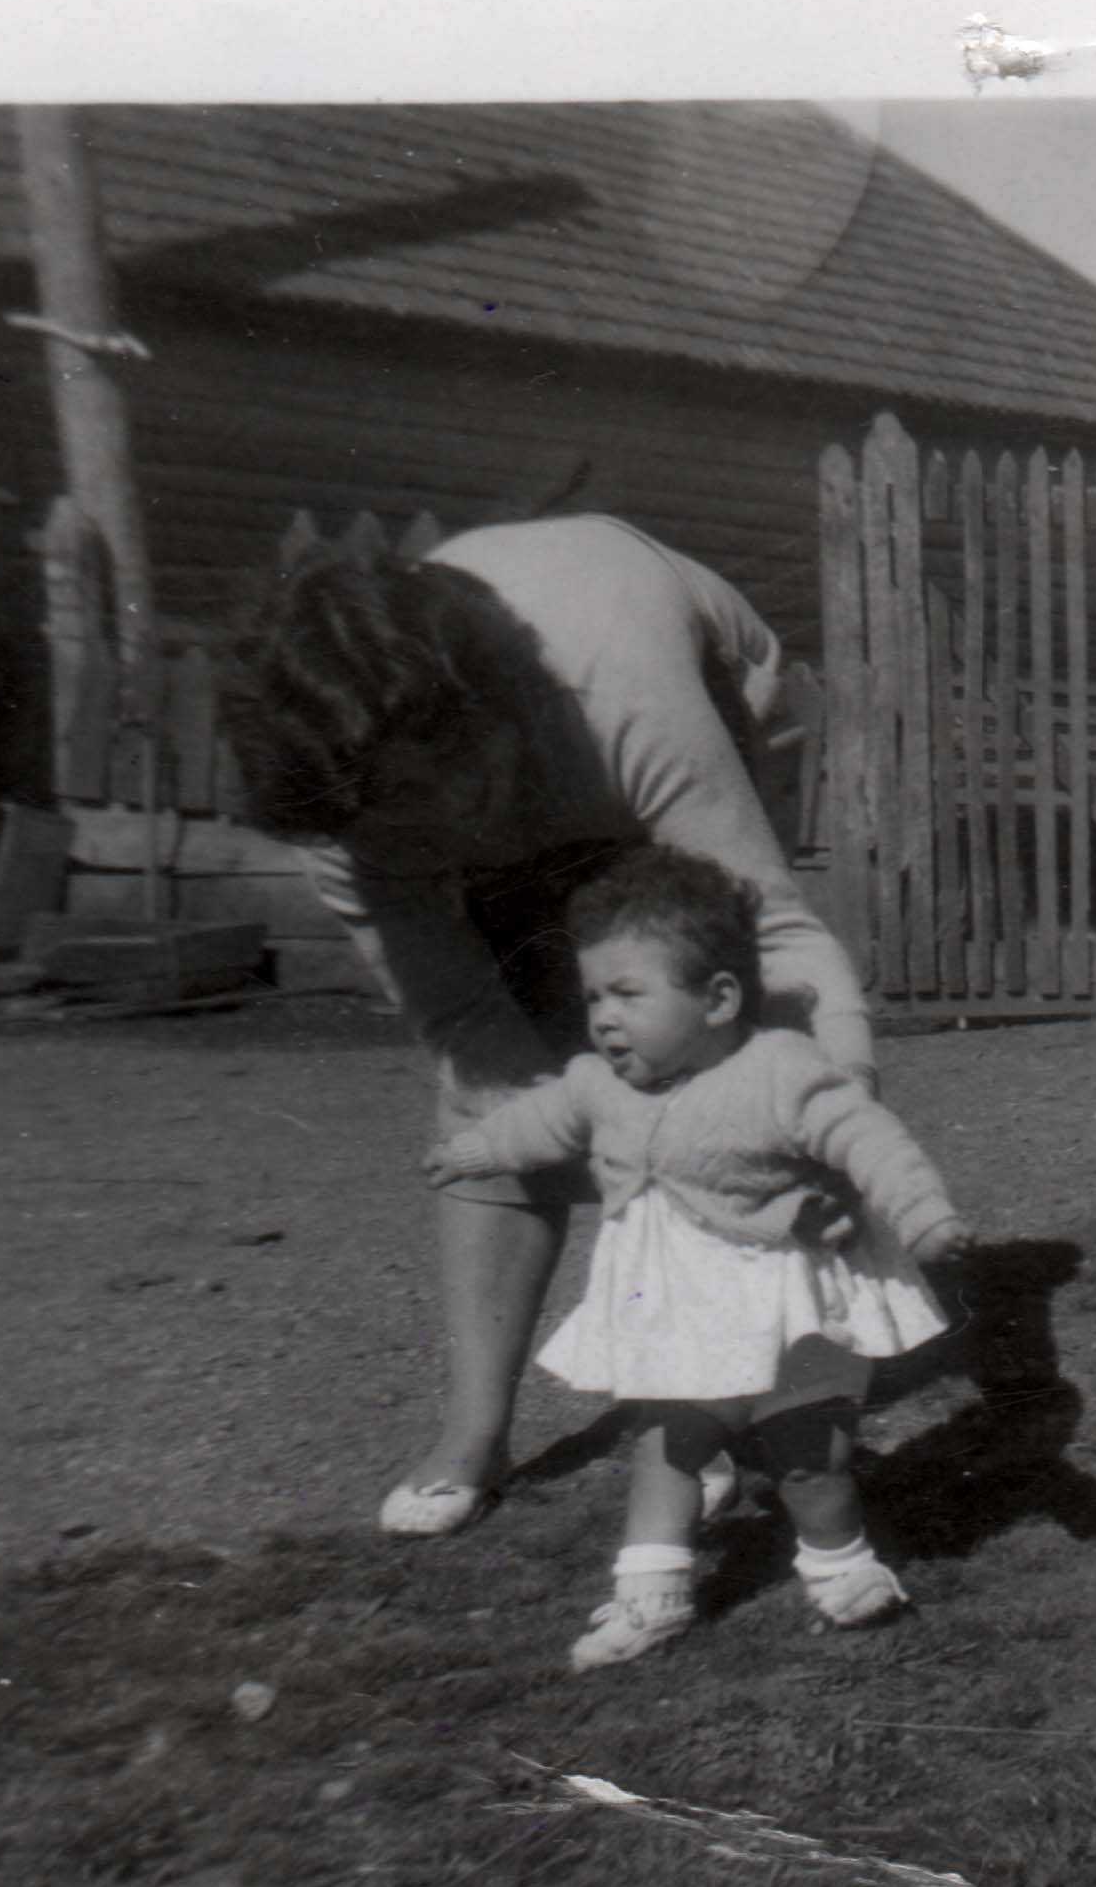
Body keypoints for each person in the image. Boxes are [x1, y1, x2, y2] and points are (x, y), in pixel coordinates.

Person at [220, 515, 874, 1539]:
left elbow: (772, 933)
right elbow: (470, 1030)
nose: (422, 844)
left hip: (709, 691)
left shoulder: (624, 696)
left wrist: (831, 1100)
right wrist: (614, 1145)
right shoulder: (339, 815)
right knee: (498, 1099)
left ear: (476, 723)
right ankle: (473, 1434)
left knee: (696, 1041)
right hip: (527, 752)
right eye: (391, 829)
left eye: (422, 807)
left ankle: (728, 1399)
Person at [424, 846, 967, 1666]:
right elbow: (539, 1122)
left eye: (628, 995)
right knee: (671, 1440)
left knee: (808, 1456)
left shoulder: (780, 1070)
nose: (604, 1017)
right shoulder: (596, 1084)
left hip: (779, 1304)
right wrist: (474, 1153)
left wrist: (922, 1213)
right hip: (675, 1304)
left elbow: (866, 1137)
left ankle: (840, 1565)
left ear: (716, 999)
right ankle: (652, 1595)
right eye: (594, 996)